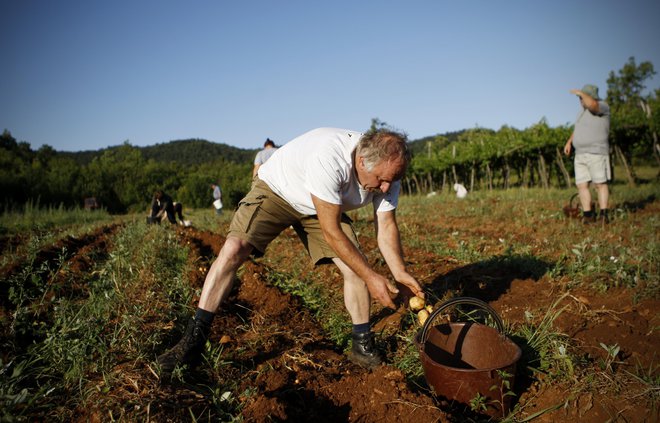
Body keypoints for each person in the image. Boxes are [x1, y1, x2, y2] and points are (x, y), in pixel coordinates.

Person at [157, 127, 424, 372]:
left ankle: (362, 345)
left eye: (392, 180)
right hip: (279, 190)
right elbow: (331, 231)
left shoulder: (389, 170)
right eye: (381, 180)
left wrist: (399, 272)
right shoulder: (330, 157)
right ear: (362, 161)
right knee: (234, 248)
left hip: (322, 204)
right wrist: (371, 276)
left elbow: (386, 225)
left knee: (354, 267)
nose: (386, 187)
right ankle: (193, 339)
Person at [563, 84, 611, 224]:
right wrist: (569, 141)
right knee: (581, 185)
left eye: (582, 97)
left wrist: (580, 92)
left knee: (600, 184)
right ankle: (588, 215)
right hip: (580, 154)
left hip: (596, 152)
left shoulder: (602, 107)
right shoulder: (581, 113)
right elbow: (578, 129)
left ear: (589, 96)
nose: (580, 101)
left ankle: (603, 215)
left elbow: (593, 104)